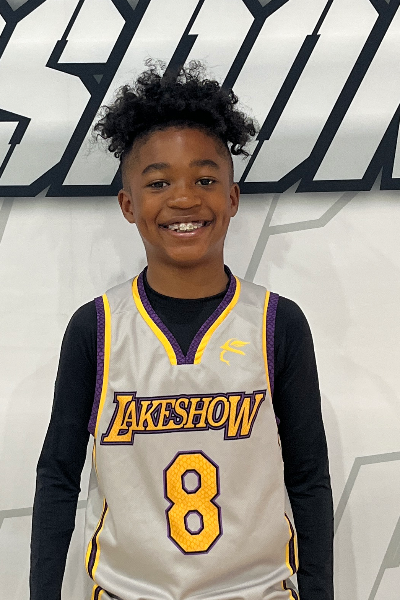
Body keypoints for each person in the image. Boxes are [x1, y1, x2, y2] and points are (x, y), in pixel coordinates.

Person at [30, 59, 333, 600]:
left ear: (232, 198)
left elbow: (308, 479)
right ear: (129, 205)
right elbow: (57, 477)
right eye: (159, 182)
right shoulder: (96, 328)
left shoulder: (276, 323)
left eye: (205, 179)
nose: (185, 198)